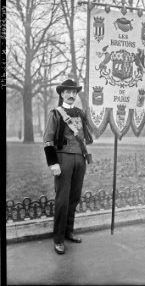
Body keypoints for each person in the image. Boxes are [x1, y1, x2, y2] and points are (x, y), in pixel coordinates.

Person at [43, 79, 93, 254]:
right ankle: (58, 239)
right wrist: (53, 163)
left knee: (74, 198)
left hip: (80, 159)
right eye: (68, 92)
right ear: (62, 94)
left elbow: (88, 134)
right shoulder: (55, 114)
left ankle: (68, 232)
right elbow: (48, 140)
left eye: (74, 92)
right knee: (62, 200)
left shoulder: (80, 113)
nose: (72, 95)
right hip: (63, 159)